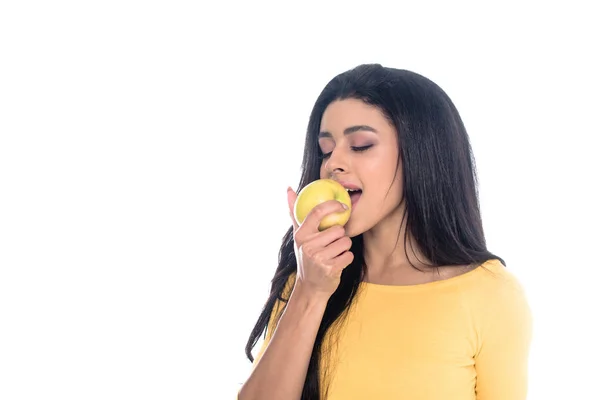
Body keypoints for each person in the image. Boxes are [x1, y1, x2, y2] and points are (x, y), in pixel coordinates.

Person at [238, 64, 532, 400]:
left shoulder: (490, 294)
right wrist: (310, 292)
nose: (333, 162)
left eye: (361, 145)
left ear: (420, 154)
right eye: (326, 148)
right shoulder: (309, 279)